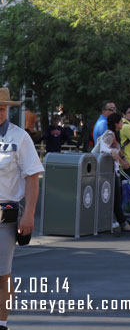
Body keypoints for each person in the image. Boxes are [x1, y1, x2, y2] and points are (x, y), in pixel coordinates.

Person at [0, 88, 45, 330]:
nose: (0, 111)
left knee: (1, 274)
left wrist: (28, 214)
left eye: (3, 107)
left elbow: (32, 176)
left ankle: (2, 323)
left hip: (4, 215)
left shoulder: (20, 137)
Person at [98, 113, 130, 232]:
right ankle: (122, 223)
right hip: (107, 171)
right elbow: (103, 148)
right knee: (116, 197)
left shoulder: (116, 135)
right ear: (116, 124)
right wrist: (116, 156)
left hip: (113, 170)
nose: (122, 123)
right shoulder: (110, 134)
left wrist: (123, 159)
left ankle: (119, 221)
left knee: (116, 196)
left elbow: (119, 150)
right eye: (121, 122)